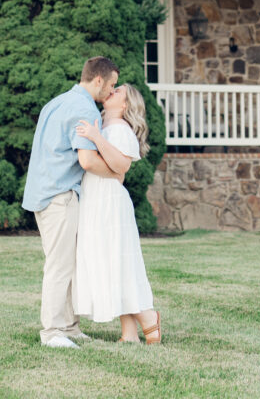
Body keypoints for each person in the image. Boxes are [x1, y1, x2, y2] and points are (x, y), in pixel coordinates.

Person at [22, 56, 120, 349]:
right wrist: (118, 171)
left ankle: (69, 327)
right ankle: (52, 332)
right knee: (60, 266)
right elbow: (88, 160)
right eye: (111, 85)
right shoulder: (84, 108)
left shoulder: (57, 102)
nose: (112, 92)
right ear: (99, 80)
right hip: (59, 195)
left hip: (44, 191)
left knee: (68, 264)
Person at [73, 83, 161, 344]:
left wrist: (96, 137)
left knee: (114, 260)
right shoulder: (105, 124)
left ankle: (148, 317)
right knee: (114, 261)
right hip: (97, 196)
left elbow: (121, 166)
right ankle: (129, 334)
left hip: (109, 200)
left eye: (118, 91)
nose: (112, 91)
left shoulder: (120, 130)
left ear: (125, 105)